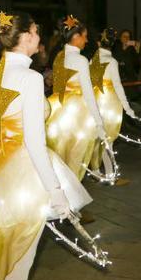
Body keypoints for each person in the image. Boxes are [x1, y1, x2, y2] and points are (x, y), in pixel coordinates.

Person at [0, 10, 92, 280]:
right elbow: (34, 142)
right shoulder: (30, 78)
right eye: (36, 31)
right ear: (27, 37)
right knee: (21, 258)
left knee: (8, 250)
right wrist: (56, 193)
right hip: (26, 170)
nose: (39, 37)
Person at [45, 15, 106, 179]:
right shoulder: (80, 60)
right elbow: (88, 92)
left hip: (59, 110)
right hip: (78, 112)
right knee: (75, 155)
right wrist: (98, 120)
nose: (86, 41)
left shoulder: (59, 56)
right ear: (76, 36)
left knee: (60, 153)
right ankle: (71, 192)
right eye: (85, 36)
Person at [89, 28, 139, 184]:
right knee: (108, 139)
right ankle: (110, 174)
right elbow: (118, 86)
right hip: (109, 102)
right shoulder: (111, 62)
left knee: (100, 138)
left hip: (96, 101)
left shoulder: (93, 60)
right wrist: (127, 107)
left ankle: (99, 171)